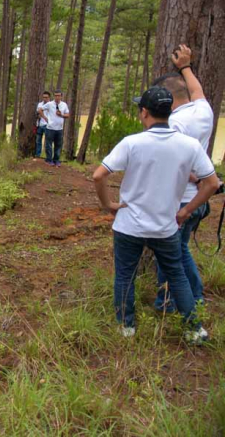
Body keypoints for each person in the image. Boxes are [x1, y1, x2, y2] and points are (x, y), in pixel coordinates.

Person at [93, 85, 219, 343]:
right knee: (176, 275)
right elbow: (212, 183)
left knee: (125, 276)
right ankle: (194, 329)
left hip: (129, 226)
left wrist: (108, 204)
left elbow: (99, 175)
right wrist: (186, 210)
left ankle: (126, 327)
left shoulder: (132, 143)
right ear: (169, 112)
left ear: (144, 113)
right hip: (166, 227)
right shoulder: (189, 145)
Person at [150, 44, 214, 313]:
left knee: (169, 256)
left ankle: (170, 302)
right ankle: (194, 296)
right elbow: (196, 90)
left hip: (180, 201)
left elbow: (175, 161)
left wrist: (193, 175)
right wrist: (185, 66)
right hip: (197, 201)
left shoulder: (174, 124)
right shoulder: (203, 111)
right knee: (181, 250)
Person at [43, 90, 70, 167]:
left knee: (58, 145)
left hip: (59, 129)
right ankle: (49, 160)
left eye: (58, 95)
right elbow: (40, 109)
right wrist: (45, 118)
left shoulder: (64, 105)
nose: (57, 97)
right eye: (55, 95)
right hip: (50, 128)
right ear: (54, 96)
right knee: (48, 145)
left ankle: (56, 160)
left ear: (61, 96)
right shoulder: (49, 104)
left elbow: (67, 115)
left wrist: (61, 114)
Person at [35, 91, 51, 158]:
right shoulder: (40, 104)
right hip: (40, 124)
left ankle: (48, 156)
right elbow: (38, 112)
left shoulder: (51, 104)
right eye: (44, 97)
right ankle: (38, 155)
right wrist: (39, 115)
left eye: (46, 97)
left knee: (48, 141)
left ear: (49, 97)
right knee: (38, 140)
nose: (45, 99)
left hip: (48, 125)